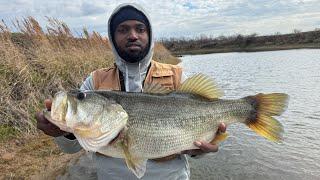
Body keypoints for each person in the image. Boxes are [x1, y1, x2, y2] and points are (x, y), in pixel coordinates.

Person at [36, 3, 226, 180]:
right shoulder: (94, 82)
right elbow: (72, 148)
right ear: (112, 37)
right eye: (123, 29)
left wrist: (200, 150)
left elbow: (202, 144)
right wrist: (63, 133)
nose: (133, 35)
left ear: (149, 35)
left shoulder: (178, 77)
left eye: (140, 29)